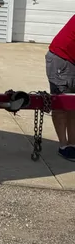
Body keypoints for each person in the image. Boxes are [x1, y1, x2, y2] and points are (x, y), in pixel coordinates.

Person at [47, 14, 75, 161]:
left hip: (72, 59)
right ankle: (64, 146)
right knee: (62, 105)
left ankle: (72, 144)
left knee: (73, 105)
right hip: (62, 60)